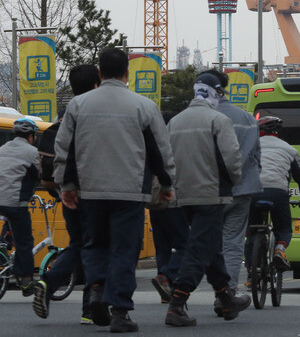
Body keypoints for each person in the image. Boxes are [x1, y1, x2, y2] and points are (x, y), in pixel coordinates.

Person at [54, 48, 176, 333]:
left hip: (90, 190)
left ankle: (96, 289)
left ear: (99, 73)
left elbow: (66, 148)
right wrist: (167, 182)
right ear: (127, 74)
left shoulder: (78, 105)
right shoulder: (143, 106)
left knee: (94, 244)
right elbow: (160, 150)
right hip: (130, 191)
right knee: (124, 250)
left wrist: (67, 184)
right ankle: (120, 311)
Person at [164, 72, 250, 327]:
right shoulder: (218, 119)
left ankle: (226, 297)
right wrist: (232, 182)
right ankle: (177, 303)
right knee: (200, 249)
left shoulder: (176, 121)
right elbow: (232, 160)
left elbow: (167, 157)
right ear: (215, 92)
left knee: (210, 246)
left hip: (183, 194)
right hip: (212, 192)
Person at [33, 64, 100, 321]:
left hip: (64, 192)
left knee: (78, 245)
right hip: (91, 191)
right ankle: (87, 307)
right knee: (96, 247)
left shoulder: (66, 114)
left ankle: (51, 286)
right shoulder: (90, 114)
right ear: (97, 83)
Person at [204, 69, 262, 312]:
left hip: (206, 191)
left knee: (204, 242)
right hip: (241, 190)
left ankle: (179, 292)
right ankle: (227, 292)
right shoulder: (247, 118)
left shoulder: (198, 117)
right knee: (233, 242)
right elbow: (256, 156)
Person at [251, 116, 300, 271]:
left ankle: (251, 272)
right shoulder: (289, 149)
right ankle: (280, 248)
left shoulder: (250, 146)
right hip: (278, 193)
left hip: (252, 192)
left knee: (251, 230)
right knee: (284, 229)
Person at [148, 110, 190, 304]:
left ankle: (164, 288)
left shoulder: (152, 141)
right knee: (185, 246)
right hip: (173, 200)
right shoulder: (175, 143)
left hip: (154, 202)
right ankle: (166, 277)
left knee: (162, 247)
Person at [0, 117, 40, 298]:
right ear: (31, 136)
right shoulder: (31, 151)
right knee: (25, 242)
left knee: (9, 223)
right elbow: (40, 174)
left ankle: (4, 247)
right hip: (15, 202)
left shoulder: (2, 149)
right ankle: (26, 281)